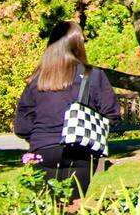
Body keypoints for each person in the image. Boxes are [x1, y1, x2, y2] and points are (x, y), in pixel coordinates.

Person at [13, 21, 121, 202]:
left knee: (50, 210)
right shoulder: (93, 75)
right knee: (74, 208)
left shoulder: (37, 80)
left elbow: (22, 127)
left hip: (43, 149)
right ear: (78, 44)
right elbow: (112, 115)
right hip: (80, 149)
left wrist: (41, 136)